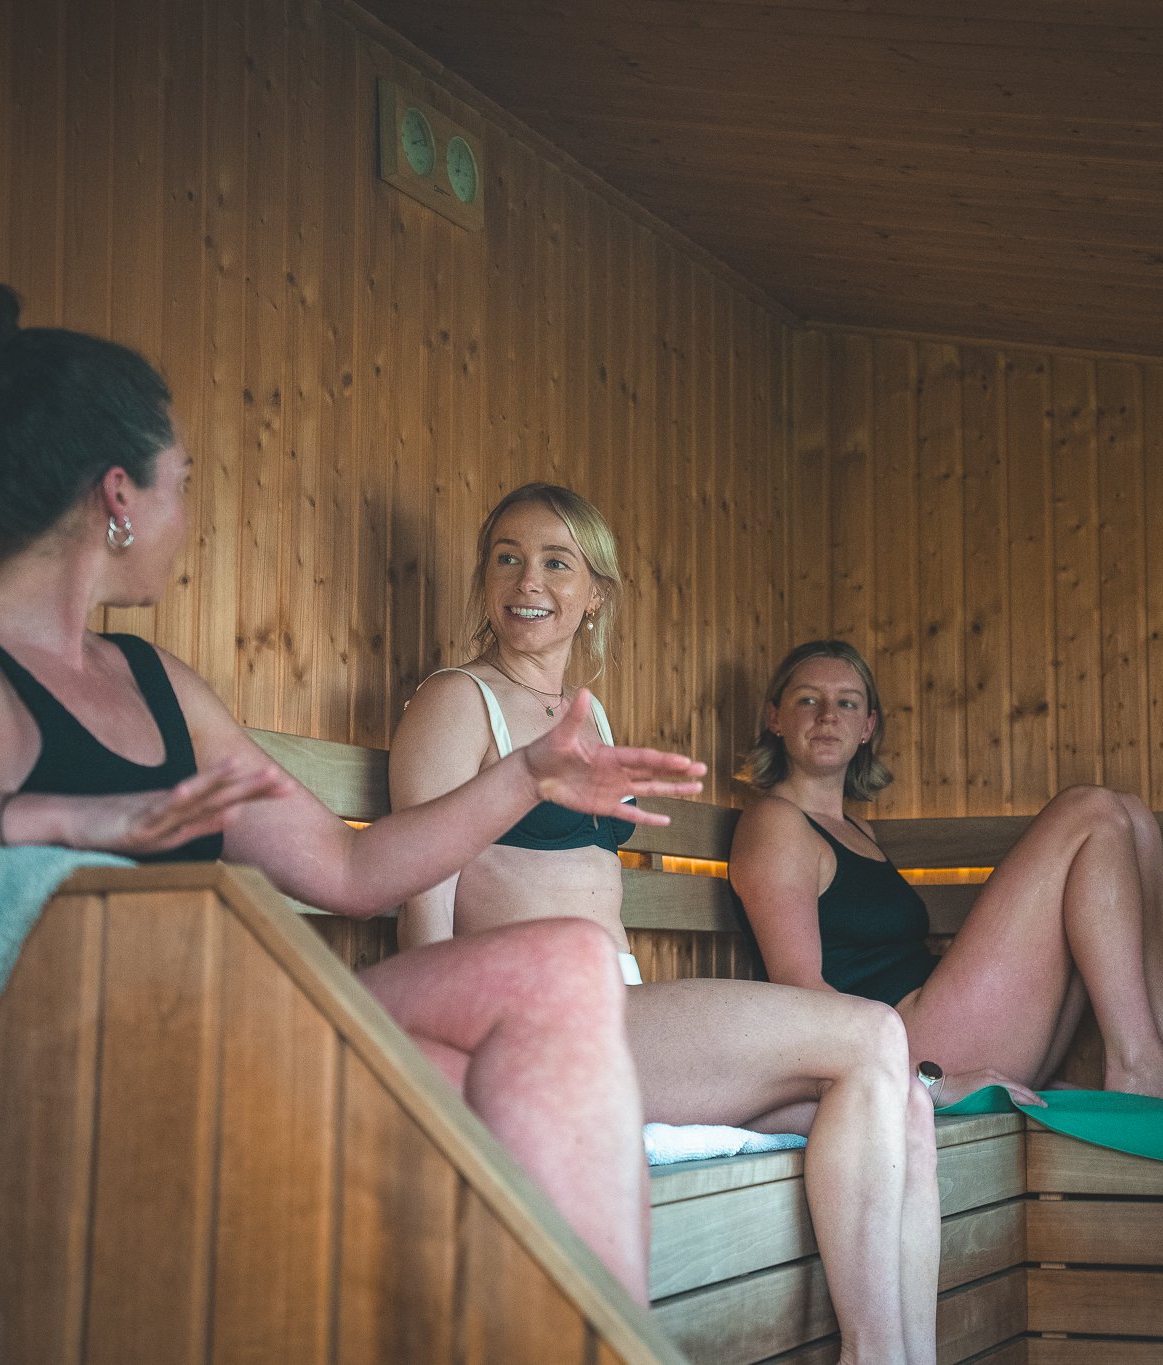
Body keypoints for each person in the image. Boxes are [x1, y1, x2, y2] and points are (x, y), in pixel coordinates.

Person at [0, 280, 710, 1300]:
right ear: (120, 497)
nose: (187, 515)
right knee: (468, 1113)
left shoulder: (159, 686)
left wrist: (527, 775)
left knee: (559, 972)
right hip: (73, 1055)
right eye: (185, 483)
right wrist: (66, 819)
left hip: (218, 1012)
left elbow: (347, 868)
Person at [390, 483, 942, 1364]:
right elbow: (423, 912)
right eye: (507, 556)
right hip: (536, 1021)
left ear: (593, 593)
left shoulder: (584, 716)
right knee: (874, 1032)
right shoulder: (458, 703)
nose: (527, 579)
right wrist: (440, 1086)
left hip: (621, 1005)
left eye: (556, 561)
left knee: (901, 1100)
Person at [730, 640, 1163, 1106]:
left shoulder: (858, 831)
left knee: (1134, 819)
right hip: (908, 1051)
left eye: (846, 702)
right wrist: (926, 1081)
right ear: (775, 718)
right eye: (806, 700)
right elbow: (798, 991)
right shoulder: (775, 823)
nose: (826, 715)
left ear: (867, 727)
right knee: (1093, 811)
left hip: (954, 1034)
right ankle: (1139, 1064)